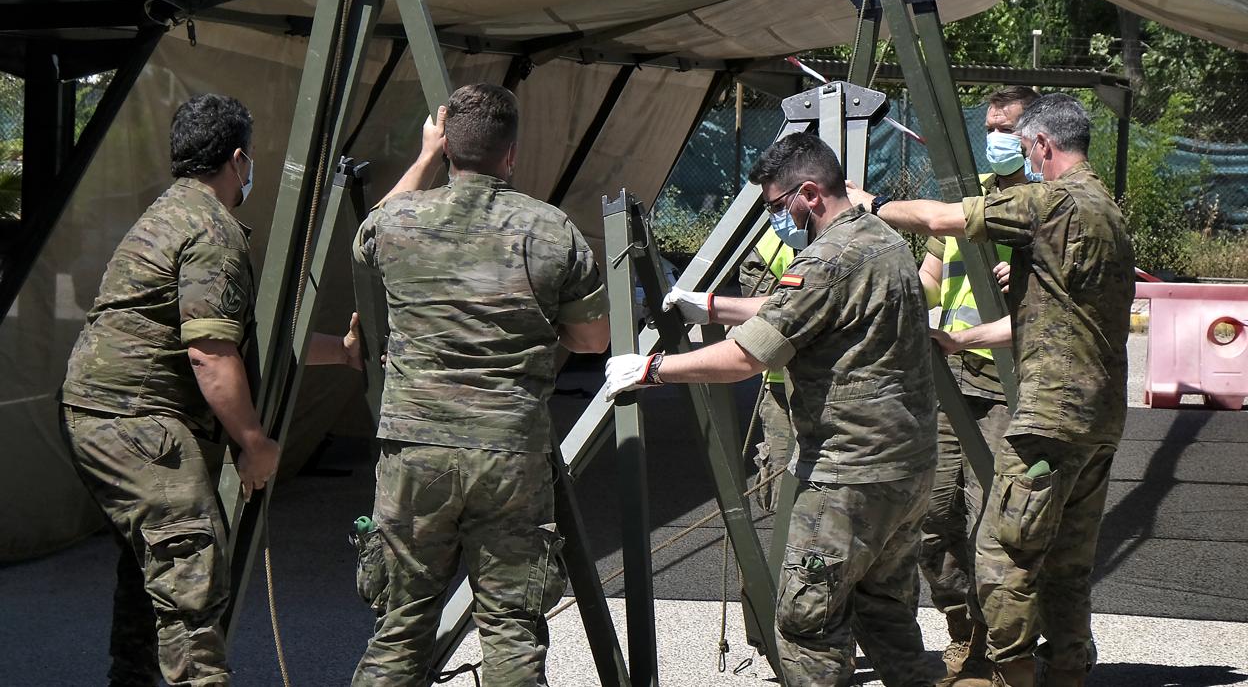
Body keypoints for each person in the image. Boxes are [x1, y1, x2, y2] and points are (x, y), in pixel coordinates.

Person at [608, 132, 937, 687]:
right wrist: (712, 307)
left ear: (809, 193)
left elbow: (745, 358)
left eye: (776, 206)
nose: (776, 219)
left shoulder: (826, 258)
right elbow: (808, 304)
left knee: (808, 623)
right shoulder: (881, 241)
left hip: (847, 477)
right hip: (905, 468)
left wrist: (653, 369)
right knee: (887, 611)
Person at [60, 94, 361, 686]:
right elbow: (210, 353)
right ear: (238, 159)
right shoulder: (211, 231)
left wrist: (344, 354)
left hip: (105, 413)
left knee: (156, 570)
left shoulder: (172, 213)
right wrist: (253, 442)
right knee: (193, 572)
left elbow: (246, 344)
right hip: (136, 419)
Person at [848, 93, 1135, 687]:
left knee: (1005, 558)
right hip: (1099, 416)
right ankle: (1066, 675)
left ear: (1043, 146)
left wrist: (870, 203)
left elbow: (938, 219)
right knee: (1068, 564)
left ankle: (1007, 674)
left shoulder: (1051, 201)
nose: (1017, 152)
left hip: (1046, 415)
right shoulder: (1108, 209)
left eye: (1021, 141)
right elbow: (1058, 313)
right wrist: (963, 336)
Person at [350, 84, 610, 686]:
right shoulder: (549, 231)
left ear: (445, 147)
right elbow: (593, 341)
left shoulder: (400, 221)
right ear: (511, 154)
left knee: (400, 623)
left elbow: (367, 238)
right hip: (508, 450)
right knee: (511, 626)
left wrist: (422, 158)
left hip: (414, 450)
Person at [918, 85, 1039, 685]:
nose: (993, 137)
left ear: (1034, 133)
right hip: (952, 376)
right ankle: (961, 629)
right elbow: (932, 280)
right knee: (932, 516)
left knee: (993, 520)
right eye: (988, 125)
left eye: (1006, 127)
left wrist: (1023, 274)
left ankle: (1003, 650)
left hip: (1011, 383)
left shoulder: (1050, 205)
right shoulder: (966, 206)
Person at [736, 227, 795, 511]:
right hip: (781, 383)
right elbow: (765, 321)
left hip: (837, 385)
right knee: (781, 488)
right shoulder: (769, 241)